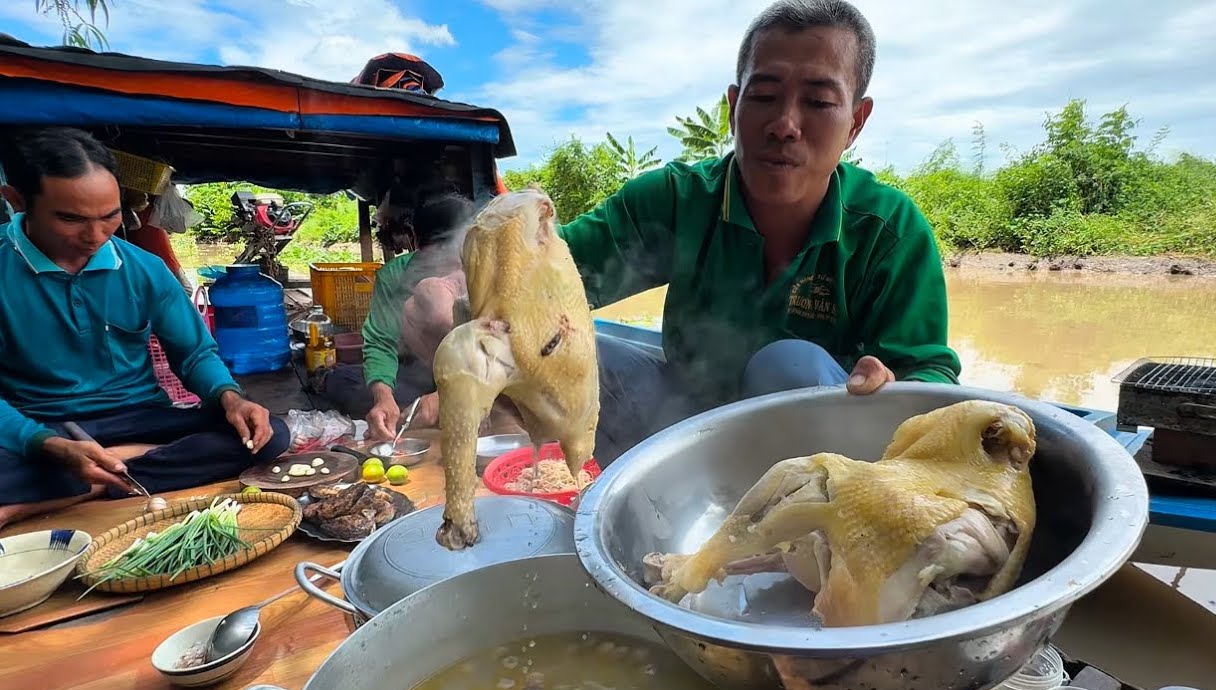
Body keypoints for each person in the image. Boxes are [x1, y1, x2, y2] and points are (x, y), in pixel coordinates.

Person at [558, 0, 962, 465]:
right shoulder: (674, 199)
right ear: (734, 108)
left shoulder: (889, 232)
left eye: (818, 102)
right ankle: (658, 502)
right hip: (685, 431)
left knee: (788, 366)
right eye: (764, 96)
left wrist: (895, 388)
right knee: (578, 353)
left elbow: (931, 378)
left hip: (824, 462)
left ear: (855, 121)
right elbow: (554, 279)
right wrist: (467, 283)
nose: (784, 125)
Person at [0, 127, 290, 528]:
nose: (96, 236)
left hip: (141, 417)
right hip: (39, 427)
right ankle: (124, 466)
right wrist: (46, 444)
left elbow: (194, 353)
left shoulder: (144, 268)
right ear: (16, 201)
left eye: (110, 216)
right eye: (71, 218)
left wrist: (230, 398)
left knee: (268, 434)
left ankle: (85, 485)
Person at [317, 191, 475, 438]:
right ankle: (414, 412)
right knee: (345, 380)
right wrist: (383, 396)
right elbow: (381, 341)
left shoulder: (486, 273)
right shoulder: (394, 275)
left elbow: (503, 348)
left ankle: (448, 408)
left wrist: (449, 393)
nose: (442, 267)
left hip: (479, 376)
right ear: (414, 242)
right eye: (431, 258)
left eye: (451, 257)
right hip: (421, 373)